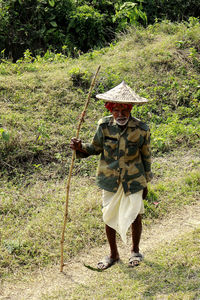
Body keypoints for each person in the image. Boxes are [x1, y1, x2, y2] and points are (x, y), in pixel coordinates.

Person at [70, 81, 153, 270]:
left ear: (130, 109)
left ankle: (135, 251)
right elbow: (95, 148)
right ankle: (113, 254)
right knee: (108, 216)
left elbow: (146, 156)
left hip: (134, 179)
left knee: (135, 214)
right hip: (109, 180)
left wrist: (146, 181)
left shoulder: (142, 129)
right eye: (116, 110)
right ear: (111, 109)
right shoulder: (104, 126)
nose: (121, 114)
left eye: (125, 110)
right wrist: (79, 147)